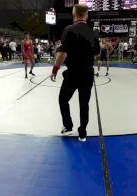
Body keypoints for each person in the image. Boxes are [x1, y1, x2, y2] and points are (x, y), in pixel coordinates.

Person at [50, 4, 100, 142]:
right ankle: (82, 133)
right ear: (87, 15)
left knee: (63, 99)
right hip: (87, 73)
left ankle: (68, 126)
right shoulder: (93, 33)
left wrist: (55, 69)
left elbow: (62, 53)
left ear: (73, 15)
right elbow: (96, 54)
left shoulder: (69, 30)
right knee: (84, 104)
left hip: (73, 73)